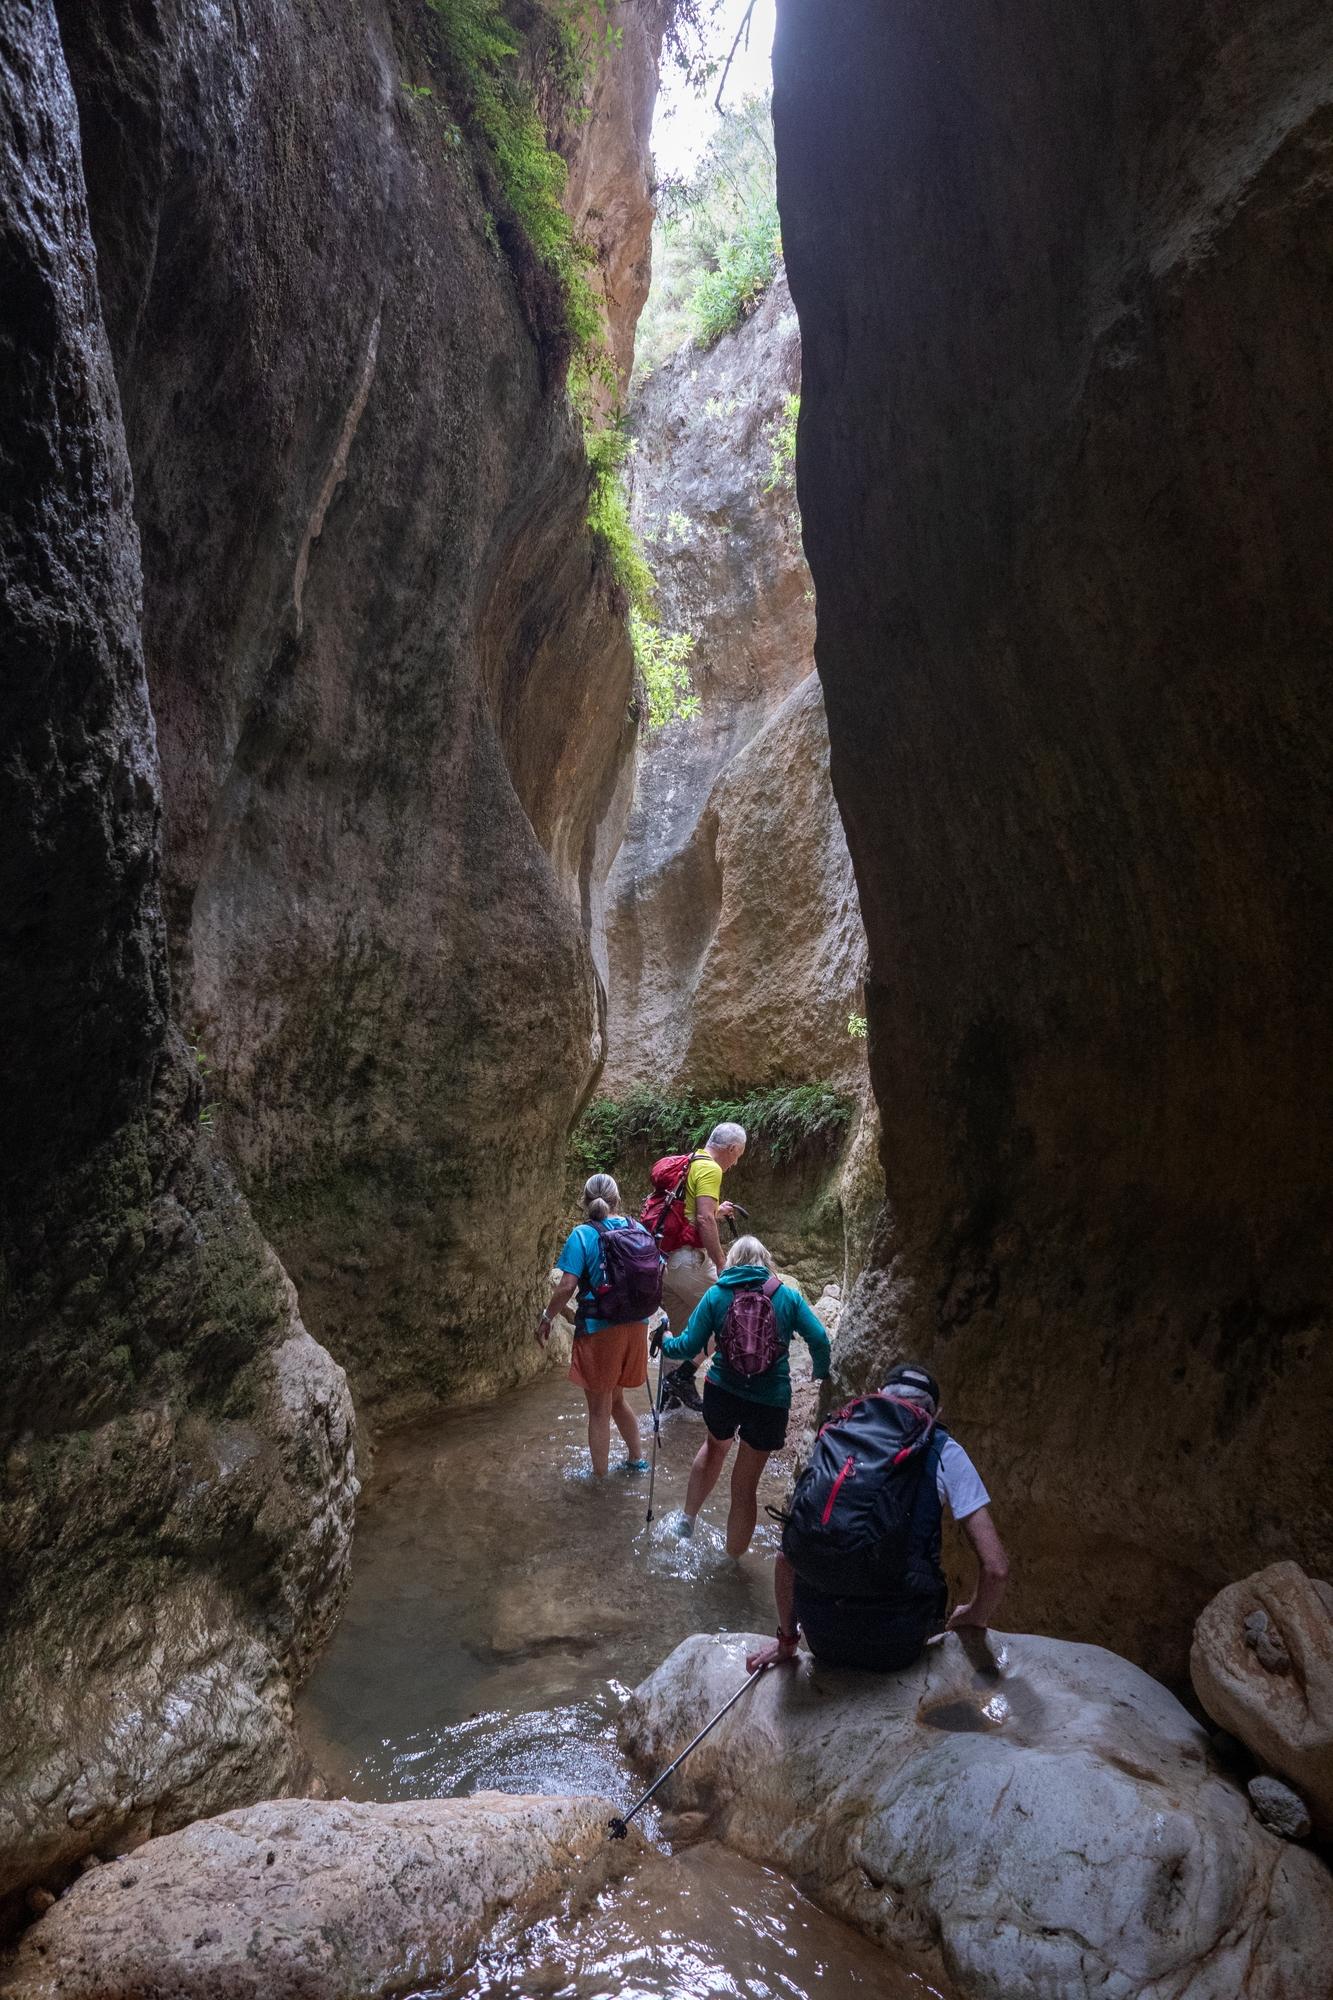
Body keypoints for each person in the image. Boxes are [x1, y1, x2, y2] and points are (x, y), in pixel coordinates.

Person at [746, 1362, 1009, 1672]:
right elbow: (996, 1569)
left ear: (881, 1396)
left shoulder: (839, 1436)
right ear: (935, 1413)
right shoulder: (942, 1448)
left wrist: (787, 1640)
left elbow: (786, 1557)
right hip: (897, 1645)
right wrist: (973, 1616)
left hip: (822, 1637)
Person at [654, 1234, 830, 1554]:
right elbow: (819, 1338)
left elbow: (688, 1346)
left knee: (713, 1449)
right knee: (744, 1485)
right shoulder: (787, 1297)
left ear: (732, 1261)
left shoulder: (717, 1295)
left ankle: (687, 1520)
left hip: (723, 1391)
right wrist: (820, 1374)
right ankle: (731, 1562)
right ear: (766, 1262)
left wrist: (665, 1340)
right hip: (769, 1400)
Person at [536, 1174, 650, 1478]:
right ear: (617, 1198)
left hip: (601, 1327)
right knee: (616, 1399)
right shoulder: (636, 1227)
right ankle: (637, 1459)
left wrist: (547, 1318)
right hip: (638, 1325)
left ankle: (599, 1480)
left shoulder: (582, 1234)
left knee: (599, 1408)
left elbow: (566, 1287)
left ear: (584, 1200)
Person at [659, 1121, 747, 1413]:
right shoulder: (711, 1168)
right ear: (732, 1148)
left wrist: (717, 1212)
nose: (735, 1163)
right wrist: (722, 1264)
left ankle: (669, 1398)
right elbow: (704, 1220)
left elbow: (691, 1214)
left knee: (681, 1327)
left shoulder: (691, 1161)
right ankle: (683, 1376)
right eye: (738, 1156)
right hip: (689, 1262)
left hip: (665, 1263)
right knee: (731, 1317)